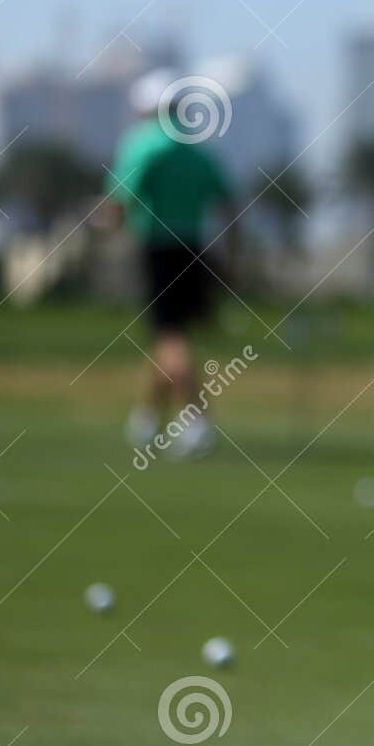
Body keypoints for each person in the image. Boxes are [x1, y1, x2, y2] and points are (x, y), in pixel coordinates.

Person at [98, 69, 236, 458]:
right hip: (195, 247)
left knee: (171, 339)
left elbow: (119, 206)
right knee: (170, 339)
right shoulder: (197, 147)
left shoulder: (143, 144)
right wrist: (233, 258)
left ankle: (196, 423)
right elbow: (229, 205)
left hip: (158, 250)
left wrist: (98, 226)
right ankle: (145, 419)